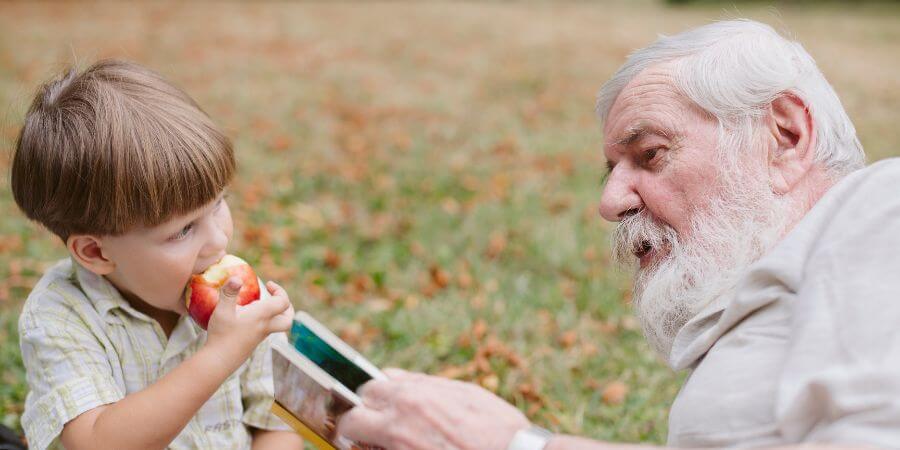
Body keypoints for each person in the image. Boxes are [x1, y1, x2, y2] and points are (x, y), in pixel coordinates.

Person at [336, 19, 900, 449]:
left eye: (650, 154)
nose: (609, 203)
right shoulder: (756, 325)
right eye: (612, 170)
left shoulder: (878, 207)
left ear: (785, 135)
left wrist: (517, 445)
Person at [11, 60, 305, 450]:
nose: (218, 241)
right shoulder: (62, 315)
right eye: (183, 230)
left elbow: (275, 421)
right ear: (96, 251)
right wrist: (221, 353)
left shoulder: (235, 306)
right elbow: (96, 442)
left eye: (219, 203)